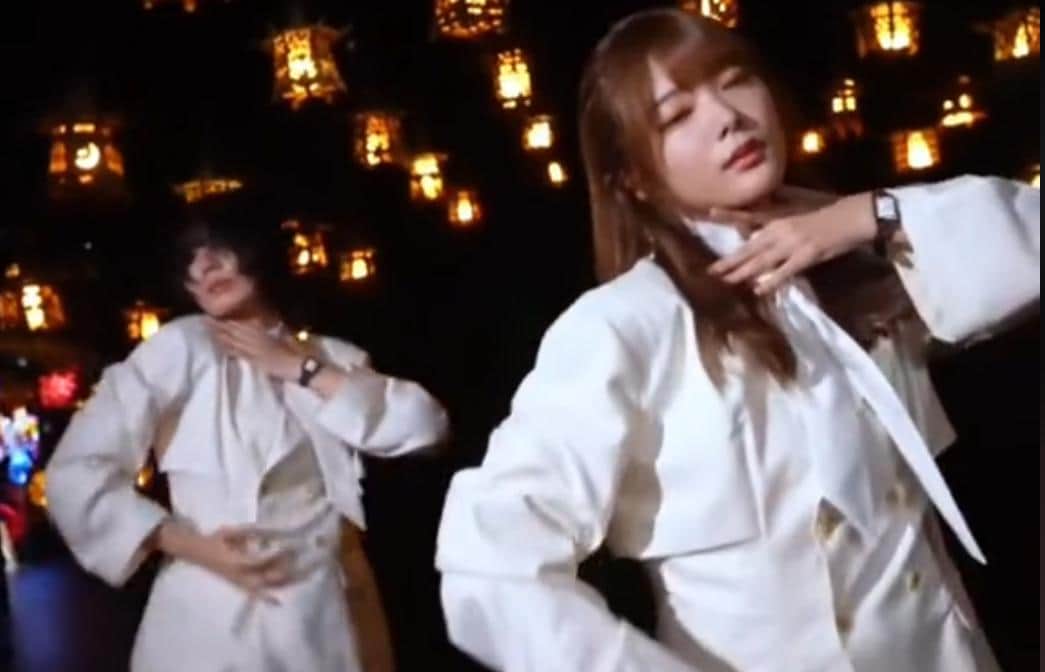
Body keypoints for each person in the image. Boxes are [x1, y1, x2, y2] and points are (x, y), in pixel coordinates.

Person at [435, 9, 1039, 672]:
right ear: (632, 176)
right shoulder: (625, 324)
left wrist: (869, 214)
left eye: (734, 81)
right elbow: (489, 567)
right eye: (676, 115)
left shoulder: (857, 273)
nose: (727, 117)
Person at [46, 192, 448, 671]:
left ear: (259, 250)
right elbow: (75, 473)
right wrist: (190, 546)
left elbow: (425, 428)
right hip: (212, 619)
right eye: (189, 259)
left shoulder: (333, 357)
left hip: (328, 620)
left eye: (220, 246)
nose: (205, 266)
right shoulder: (181, 349)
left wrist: (299, 368)